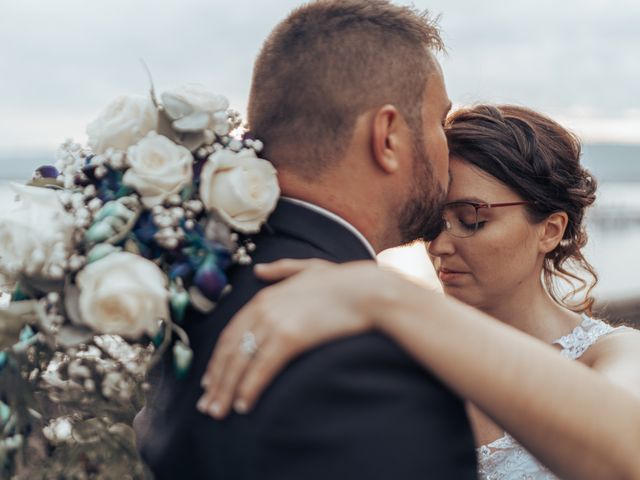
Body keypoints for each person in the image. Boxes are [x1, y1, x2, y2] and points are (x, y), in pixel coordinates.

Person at [198, 105, 640, 479]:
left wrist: (384, 294)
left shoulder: (615, 355)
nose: (440, 245)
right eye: (433, 224)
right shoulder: (391, 358)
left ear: (550, 229)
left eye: (471, 219)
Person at [134, 1, 478, 478]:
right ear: (388, 138)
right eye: (439, 124)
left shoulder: (197, 291)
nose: (449, 151)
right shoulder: (372, 359)